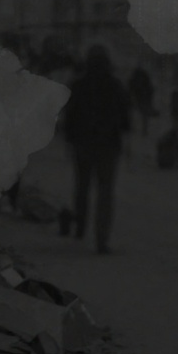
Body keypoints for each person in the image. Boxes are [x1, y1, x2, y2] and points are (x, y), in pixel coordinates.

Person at [60, 45, 131, 254]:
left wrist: (70, 140)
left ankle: (80, 226)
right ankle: (101, 239)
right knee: (105, 192)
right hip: (108, 146)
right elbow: (125, 117)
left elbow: (69, 116)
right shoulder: (116, 86)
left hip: (82, 144)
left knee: (82, 186)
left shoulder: (78, 85)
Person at [127, 63, 155, 136]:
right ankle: (144, 130)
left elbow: (130, 86)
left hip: (139, 97)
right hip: (142, 97)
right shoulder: (144, 76)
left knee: (134, 112)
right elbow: (150, 88)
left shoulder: (136, 76)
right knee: (143, 114)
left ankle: (141, 129)